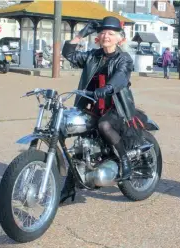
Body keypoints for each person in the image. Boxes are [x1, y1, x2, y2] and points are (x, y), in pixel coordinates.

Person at [60, 16, 142, 203]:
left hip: (116, 107)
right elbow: (69, 54)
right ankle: (69, 187)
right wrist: (81, 34)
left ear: (119, 38)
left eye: (111, 33)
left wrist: (107, 88)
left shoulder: (124, 58)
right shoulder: (92, 56)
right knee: (79, 139)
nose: (106, 36)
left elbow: (121, 76)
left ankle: (124, 161)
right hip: (92, 105)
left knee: (104, 126)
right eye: (103, 32)